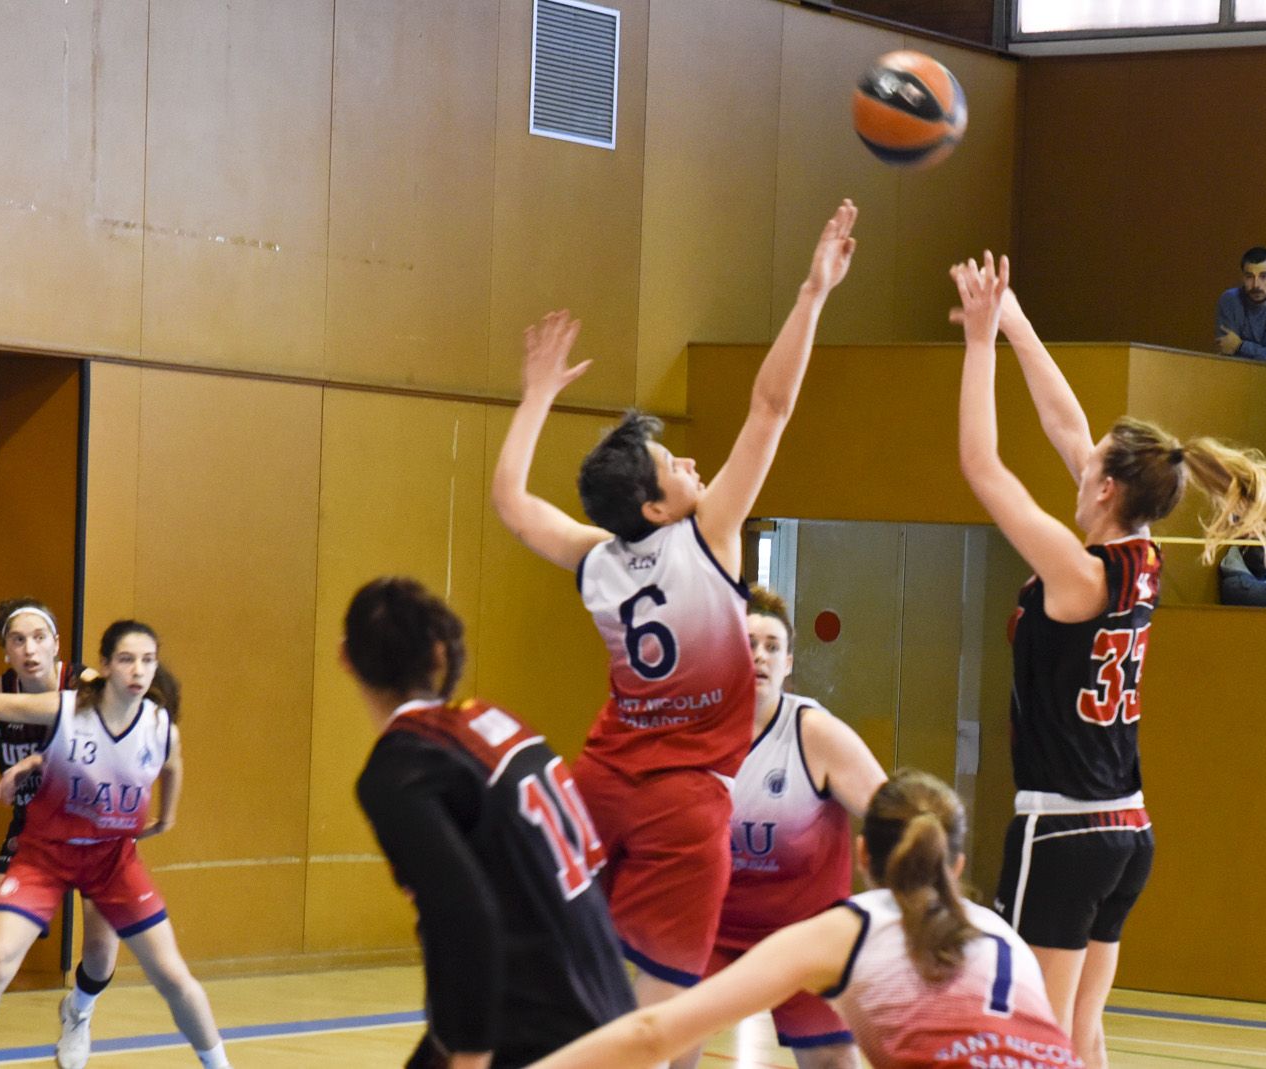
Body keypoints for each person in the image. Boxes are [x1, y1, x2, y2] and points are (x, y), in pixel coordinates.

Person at [489, 201, 858, 1020]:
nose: (692, 459)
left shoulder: (596, 559)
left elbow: (513, 503)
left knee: (566, 983)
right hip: (684, 805)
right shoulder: (712, 535)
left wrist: (537, 394)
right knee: (666, 1015)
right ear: (656, 507)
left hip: (600, 780)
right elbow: (771, 407)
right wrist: (812, 291)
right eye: (674, 461)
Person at [951, 252, 1266, 1069]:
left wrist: (979, 344)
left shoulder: (1076, 573)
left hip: (1064, 826)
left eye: (1092, 460)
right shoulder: (1139, 552)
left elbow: (983, 466)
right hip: (1126, 829)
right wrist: (1014, 320)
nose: (1079, 457)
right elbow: (1064, 421)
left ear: (1107, 486)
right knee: (1082, 1034)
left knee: (1034, 1033)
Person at [527, 769, 1081, 1069]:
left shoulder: (850, 931)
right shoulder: (1005, 937)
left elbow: (652, 1032)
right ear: (956, 866)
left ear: (862, 856)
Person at [0, 620, 232, 1069]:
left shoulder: (160, 727)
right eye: (127, 659)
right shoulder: (65, 709)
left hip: (112, 860)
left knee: (166, 973)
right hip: (45, 857)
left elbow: (173, 765)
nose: (138, 670)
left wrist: (167, 817)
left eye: (148, 660)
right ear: (107, 666)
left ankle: (93, 1017)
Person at [344, 577, 635, 1069]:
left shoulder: (401, 768)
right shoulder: (494, 723)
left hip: (539, 1024)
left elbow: (463, 911)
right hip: (604, 997)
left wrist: (471, 1051)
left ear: (345, 657)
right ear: (440, 654)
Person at [683, 588, 886, 1069]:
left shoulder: (815, 733)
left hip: (803, 932)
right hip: (714, 929)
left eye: (772, 646)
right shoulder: (693, 733)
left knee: (834, 1058)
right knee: (663, 1041)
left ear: (789, 662)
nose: (759, 656)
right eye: (748, 643)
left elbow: (895, 819)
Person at [0, 598, 120, 1069]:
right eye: (18, 640)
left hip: (94, 830)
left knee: (102, 952)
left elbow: (116, 735)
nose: (29, 649)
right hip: (32, 834)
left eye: (39, 638)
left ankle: (79, 1014)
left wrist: (38, 761)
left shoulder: (85, 686)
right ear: (6, 651)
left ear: (57, 645)